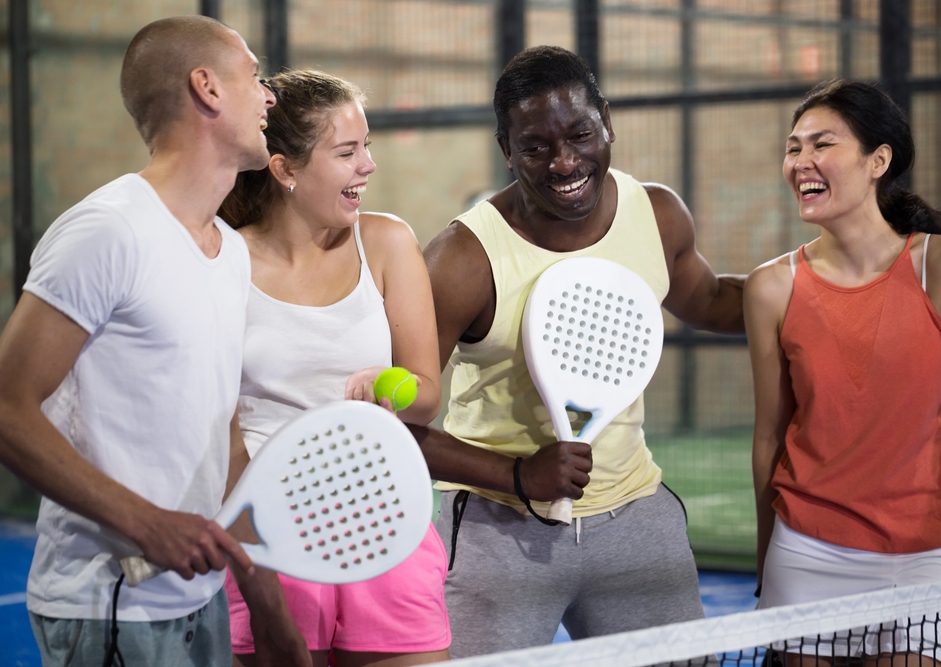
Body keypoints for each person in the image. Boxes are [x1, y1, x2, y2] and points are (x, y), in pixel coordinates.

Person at [409, 45, 745, 658]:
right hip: (496, 530)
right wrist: (518, 474)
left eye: (581, 134)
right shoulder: (460, 260)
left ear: (607, 121)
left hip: (635, 518)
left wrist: (827, 285)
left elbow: (715, 300)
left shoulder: (657, 214)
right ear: (507, 151)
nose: (565, 162)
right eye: (535, 146)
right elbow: (398, 430)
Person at [0, 15, 276, 667]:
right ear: (206, 87)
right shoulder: (108, 230)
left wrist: (264, 601)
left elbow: (226, 432)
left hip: (199, 599)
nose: (269, 97)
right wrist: (149, 524)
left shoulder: (230, 252)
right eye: (255, 77)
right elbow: (8, 407)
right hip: (109, 604)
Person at [746, 79, 941, 665]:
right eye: (793, 147)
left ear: (878, 160)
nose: (801, 162)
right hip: (804, 554)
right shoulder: (769, 287)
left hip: (924, 558)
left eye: (821, 144)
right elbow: (769, 435)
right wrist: (768, 561)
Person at [217, 69, 450, 667]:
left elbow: (427, 396)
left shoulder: (390, 242)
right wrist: (245, 548)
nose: (368, 165)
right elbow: (222, 429)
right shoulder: (222, 261)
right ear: (285, 169)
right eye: (347, 152)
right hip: (269, 533)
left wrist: (389, 387)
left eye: (366, 146)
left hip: (386, 517)